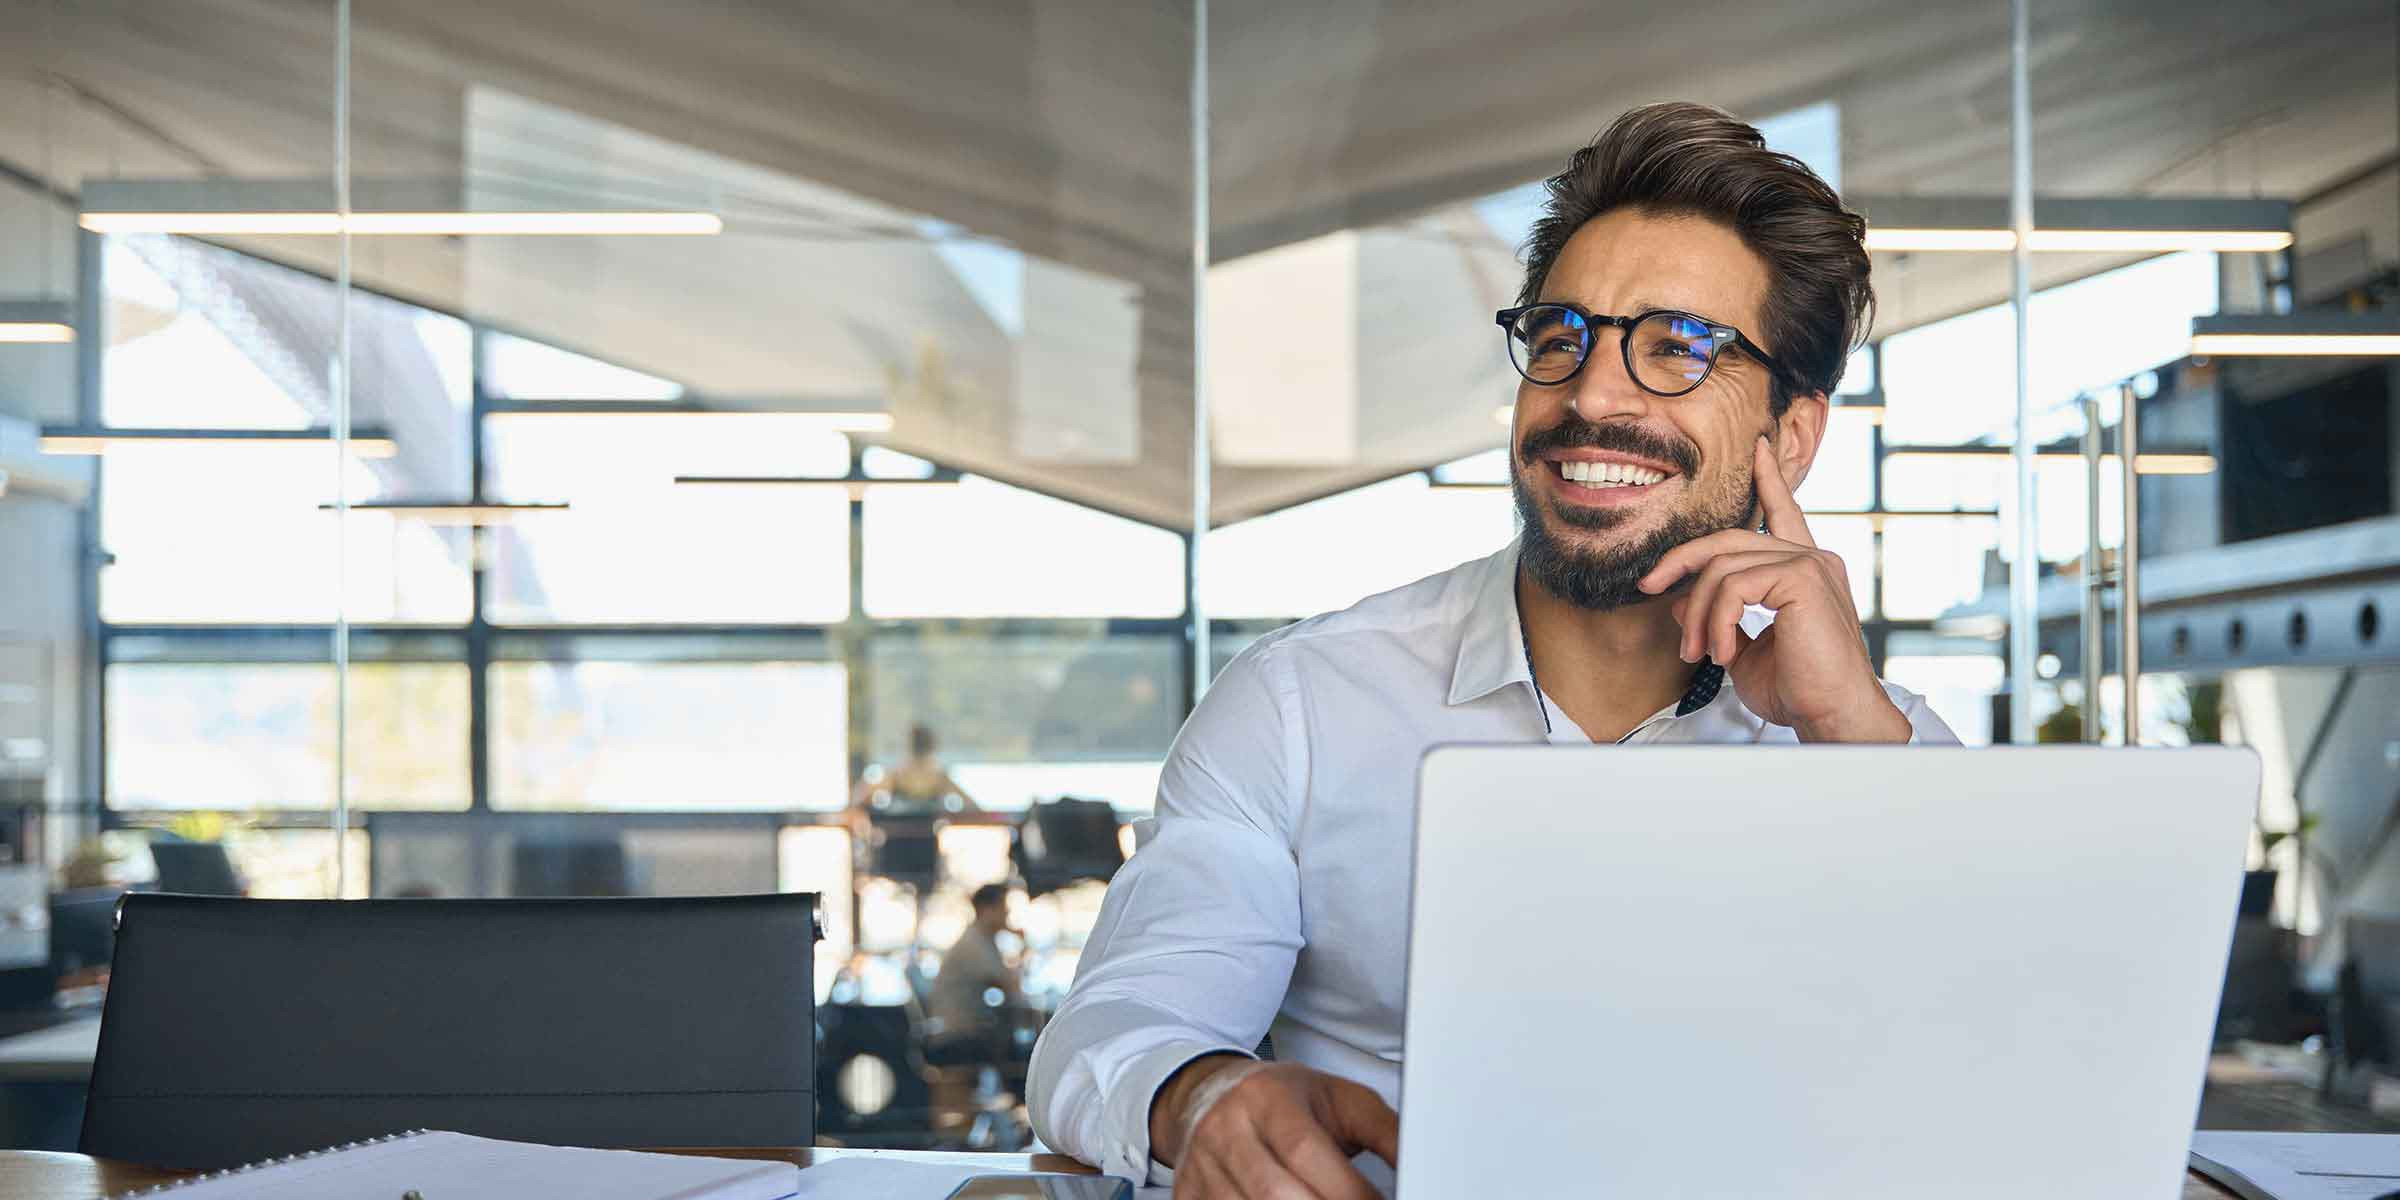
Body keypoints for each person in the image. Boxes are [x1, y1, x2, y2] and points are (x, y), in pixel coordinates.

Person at [1027, 100, 1963, 1197]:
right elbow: (1118, 1025)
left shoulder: (1877, 740)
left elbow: (2001, 1050)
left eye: (1677, 348)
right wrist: (1207, 1097)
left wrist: (1846, 733)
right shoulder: (1304, 705)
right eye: (1562, 338)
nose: (1591, 394)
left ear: (1789, 437)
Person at [925, 883, 1024, 1065]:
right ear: (987, 910)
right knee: (1022, 1052)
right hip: (957, 1034)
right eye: (1004, 909)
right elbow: (1010, 987)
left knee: (1014, 1046)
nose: (1007, 916)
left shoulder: (983, 939)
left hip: (963, 1030)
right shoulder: (975, 943)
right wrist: (1023, 945)